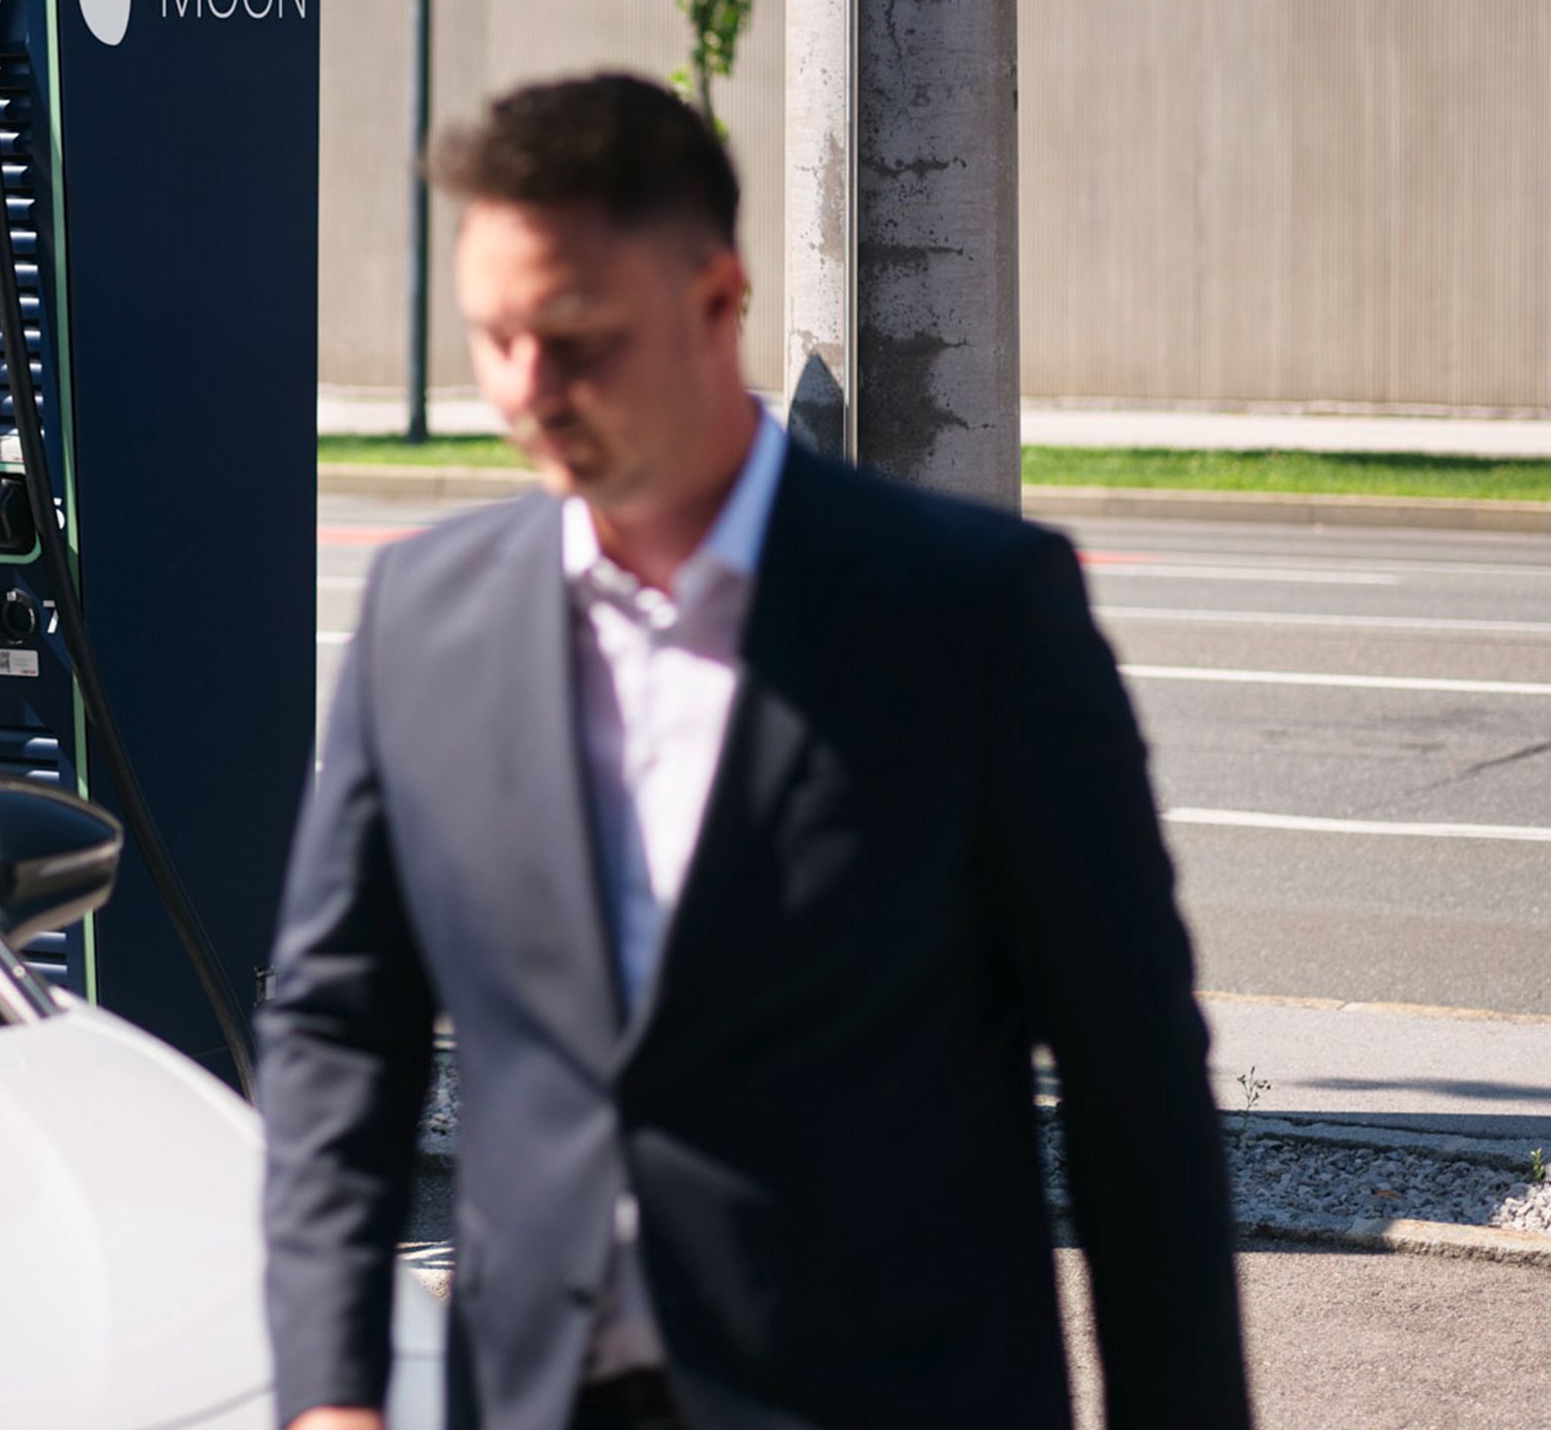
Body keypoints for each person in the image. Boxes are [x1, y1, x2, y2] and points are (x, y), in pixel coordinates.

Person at [258, 73, 1249, 1430]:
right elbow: (335, 1025)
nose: (527, 390)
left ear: (720, 303)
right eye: (492, 338)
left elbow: (1134, 1084)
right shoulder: (425, 618)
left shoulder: (975, 616)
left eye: (575, 338)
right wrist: (329, 1390)